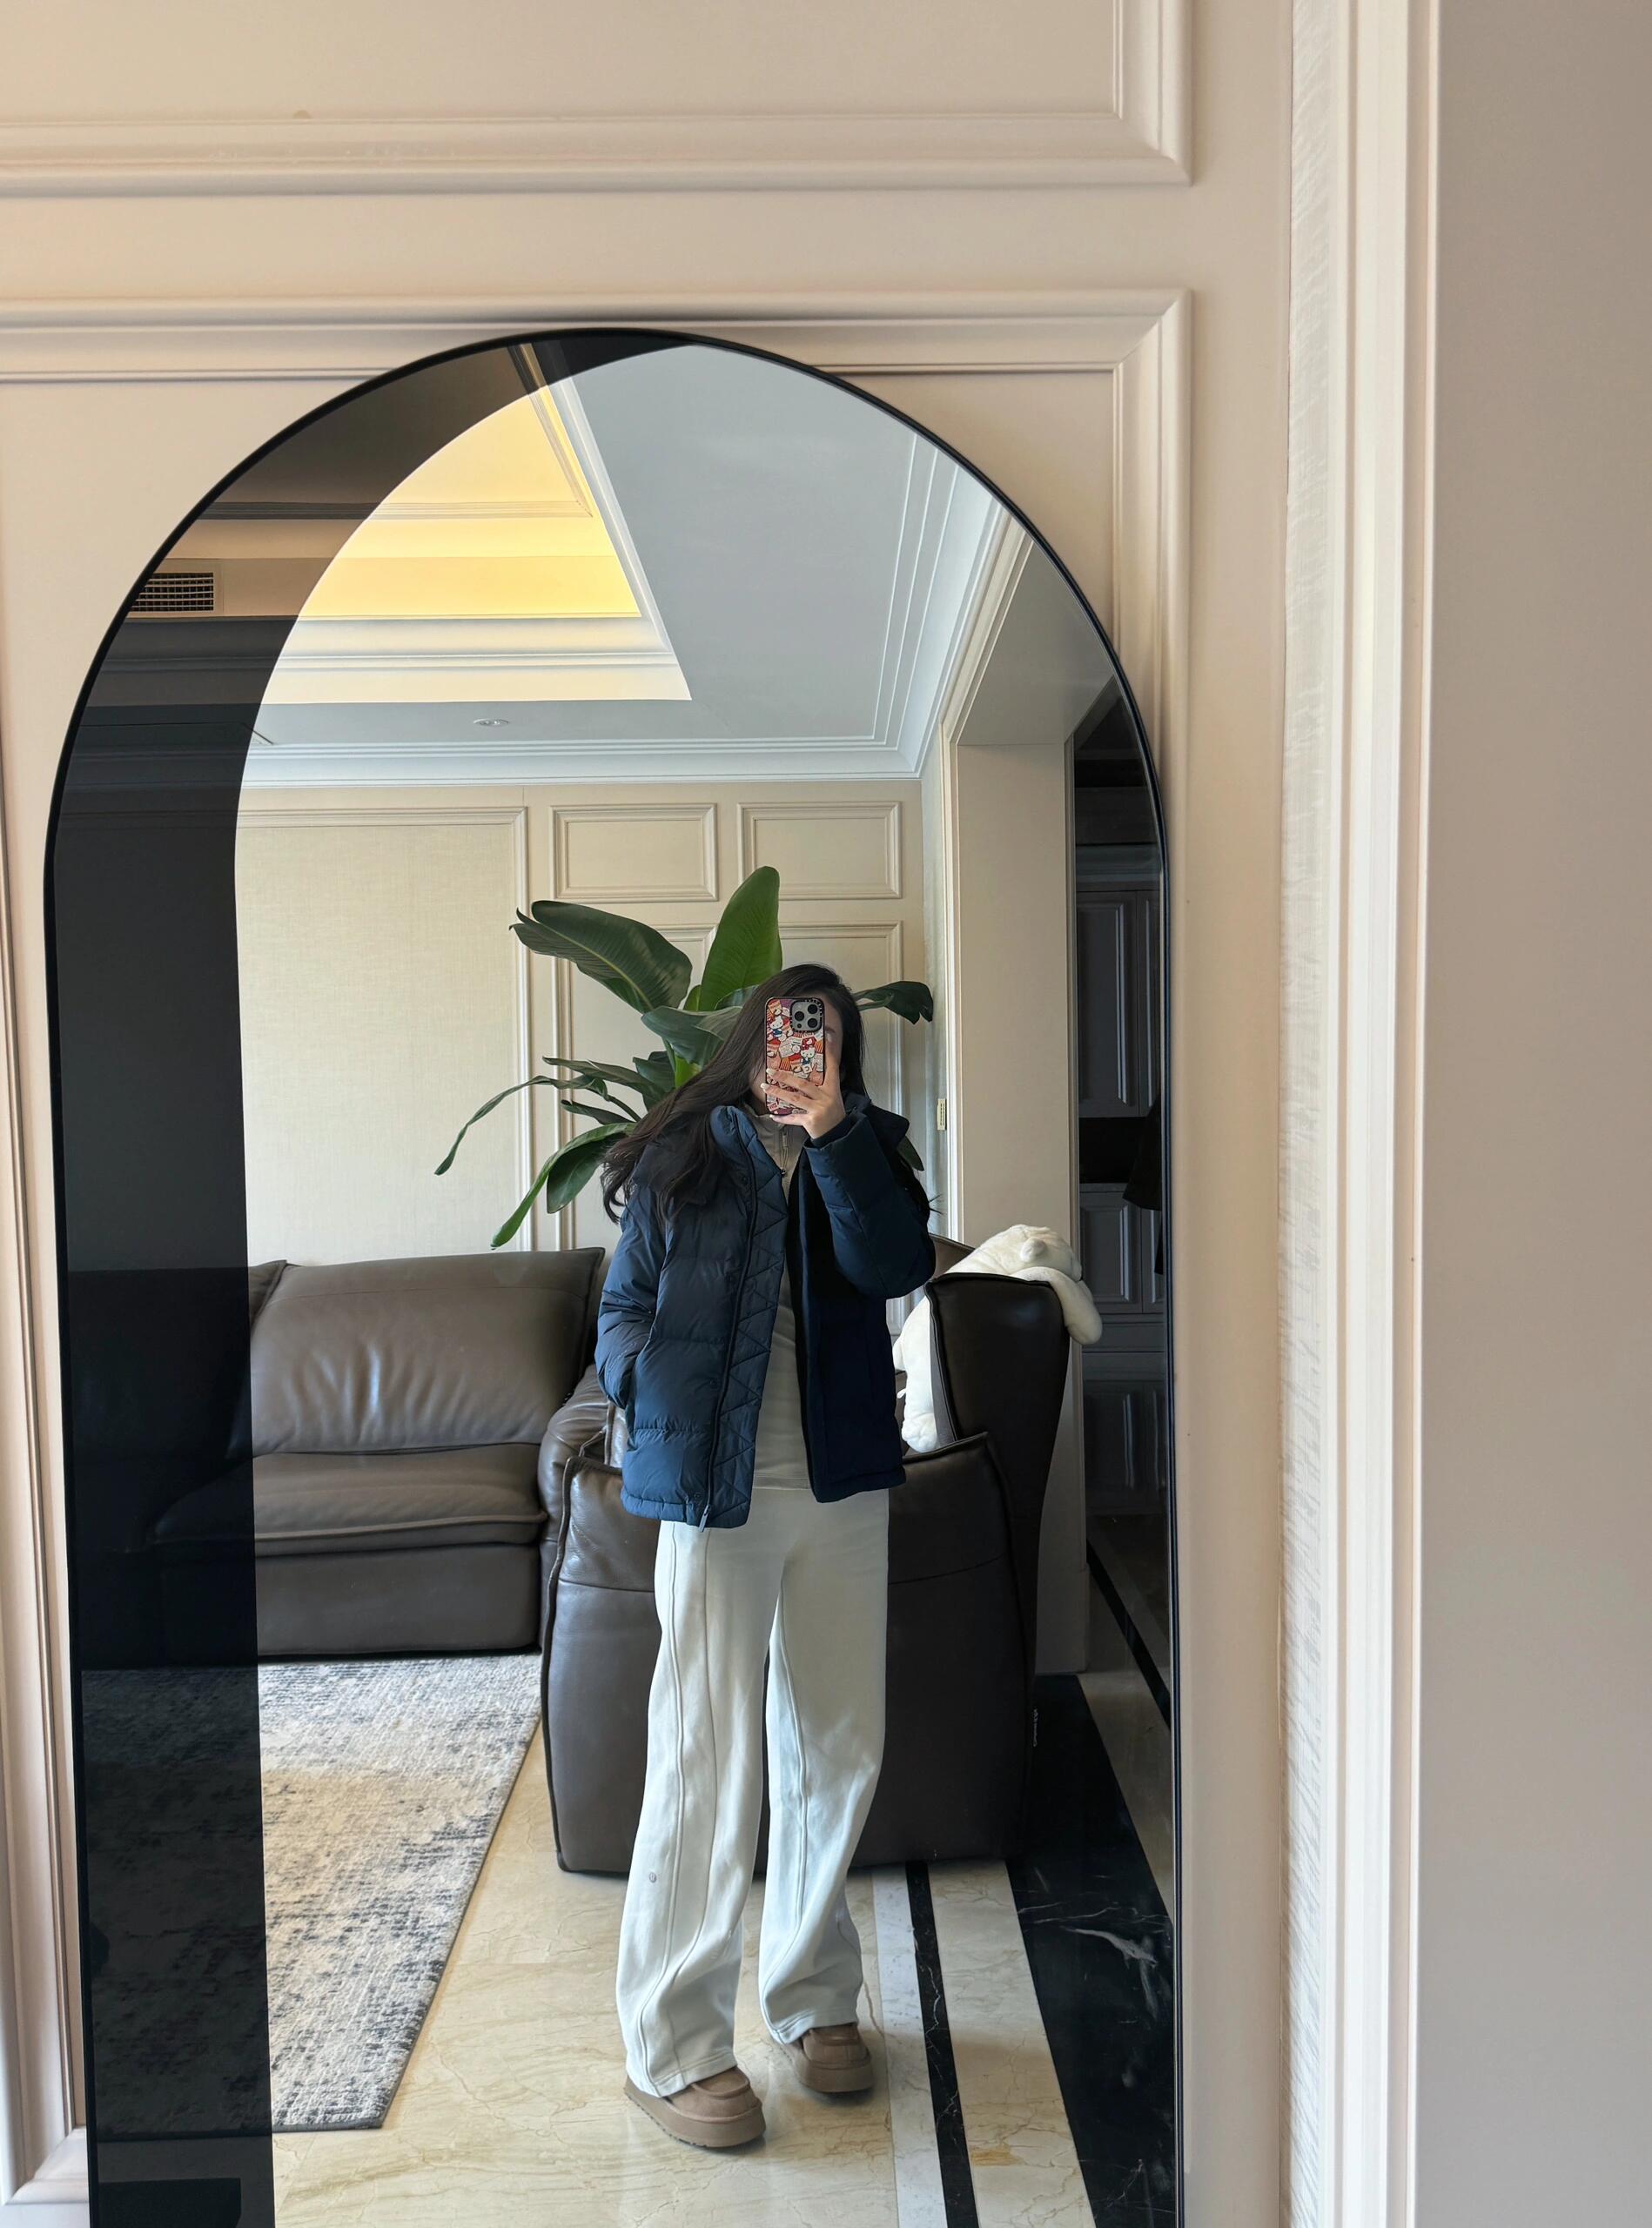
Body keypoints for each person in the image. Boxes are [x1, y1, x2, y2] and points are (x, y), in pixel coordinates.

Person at [594, 963, 935, 2151]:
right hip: (712, 1491)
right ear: (751, 1042)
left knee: (836, 1745)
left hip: (840, 1486)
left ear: (841, 1058)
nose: (803, 1052)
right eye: (790, 1033)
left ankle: (815, 1997)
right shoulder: (683, 1156)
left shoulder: (869, 1148)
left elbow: (893, 1267)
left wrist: (834, 1134)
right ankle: (672, 2045)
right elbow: (622, 1309)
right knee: (704, 1757)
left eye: (824, 1039)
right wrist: (649, 1383)